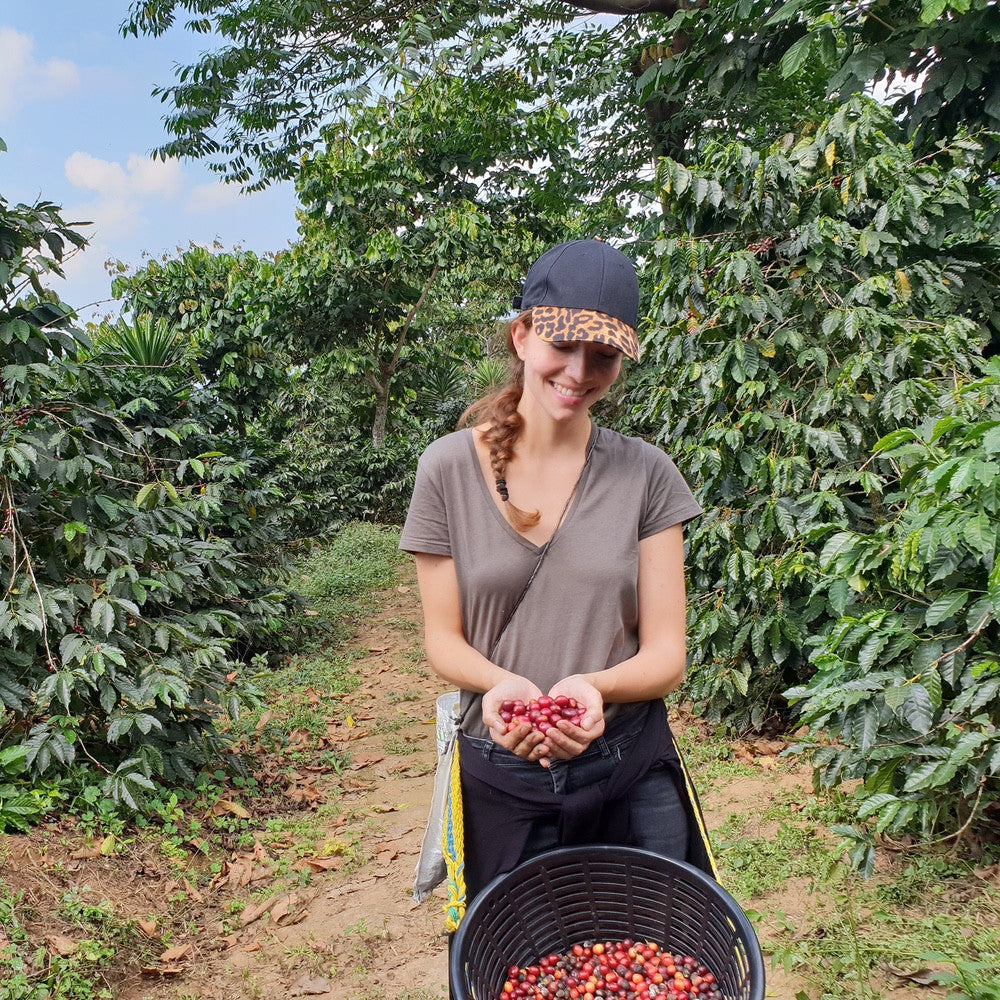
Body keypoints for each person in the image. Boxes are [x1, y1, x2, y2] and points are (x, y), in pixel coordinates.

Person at [400, 239, 714, 909]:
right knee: (526, 964)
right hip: (502, 773)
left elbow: (666, 656)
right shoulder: (447, 470)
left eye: (602, 356)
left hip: (629, 770)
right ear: (522, 335)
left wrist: (593, 689)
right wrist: (501, 685)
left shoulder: (647, 475)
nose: (578, 372)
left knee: (659, 961)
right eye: (562, 345)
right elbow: (442, 640)